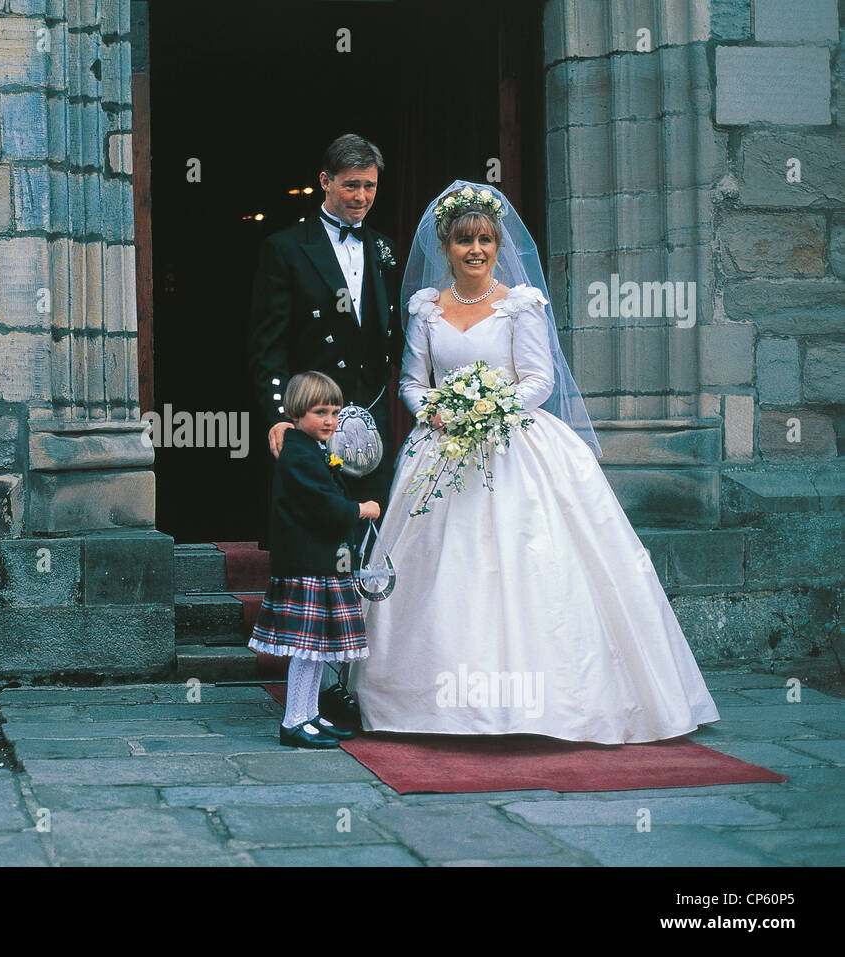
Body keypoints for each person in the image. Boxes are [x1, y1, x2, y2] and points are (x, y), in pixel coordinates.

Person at [349, 181, 719, 744]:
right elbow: (410, 382)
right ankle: (426, 705)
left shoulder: (520, 305)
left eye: (486, 240)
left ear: (499, 246)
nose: (476, 250)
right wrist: (440, 410)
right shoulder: (426, 309)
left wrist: (491, 409)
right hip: (443, 451)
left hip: (515, 446)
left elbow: (540, 381)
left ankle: (548, 706)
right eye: (464, 241)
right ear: (445, 247)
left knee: (531, 565)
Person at [247, 134, 402, 729]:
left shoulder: (383, 249)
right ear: (325, 182)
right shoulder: (286, 248)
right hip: (314, 420)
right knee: (322, 555)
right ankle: (311, 700)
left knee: (361, 558)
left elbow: (397, 342)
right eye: (351, 185)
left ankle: (351, 689)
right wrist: (280, 418)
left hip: (365, 425)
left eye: (370, 186)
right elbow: (267, 344)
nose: (362, 196)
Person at [248, 372, 381, 748]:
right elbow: (322, 506)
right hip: (308, 565)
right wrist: (361, 509)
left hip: (322, 563)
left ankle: (309, 714)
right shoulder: (298, 454)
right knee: (307, 650)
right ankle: (293, 720)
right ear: (295, 413)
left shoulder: (313, 450)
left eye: (335, 412)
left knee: (318, 648)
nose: (330, 420)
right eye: (320, 411)